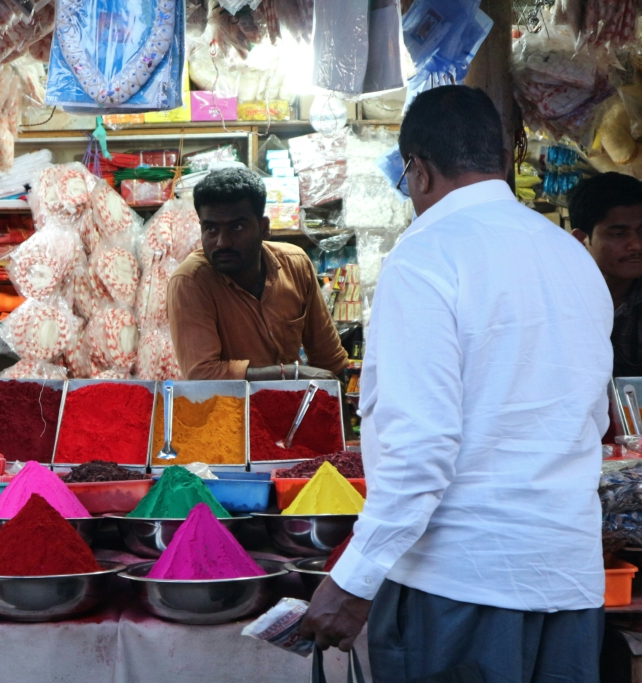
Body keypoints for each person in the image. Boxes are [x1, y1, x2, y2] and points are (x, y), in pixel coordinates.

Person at [299, 85, 612, 683]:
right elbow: (589, 422)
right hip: (567, 579)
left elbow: (419, 446)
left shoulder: (425, 257)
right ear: (500, 159)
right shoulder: (571, 257)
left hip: (462, 584)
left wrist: (356, 577)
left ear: (417, 171)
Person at [166, 167, 348, 381]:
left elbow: (329, 358)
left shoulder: (295, 264)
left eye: (237, 227)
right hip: (226, 410)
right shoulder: (191, 282)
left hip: (295, 407)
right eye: (211, 229)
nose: (222, 242)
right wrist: (289, 373)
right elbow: (202, 375)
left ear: (264, 228)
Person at [569, 172, 642, 378]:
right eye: (618, 234)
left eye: (641, 232)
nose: (636, 245)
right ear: (581, 240)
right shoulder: (560, 297)